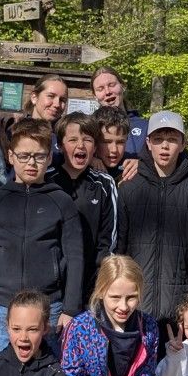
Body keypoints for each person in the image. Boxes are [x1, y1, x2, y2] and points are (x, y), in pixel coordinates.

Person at [0, 118, 83, 357]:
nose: (31, 163)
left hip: (49, 308)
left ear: (49, 158)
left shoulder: (62, 202)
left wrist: (71, 309)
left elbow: (75, 259)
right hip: (2, 309)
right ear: (11, 156)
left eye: (39, 156)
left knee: (48, 372)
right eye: (24, 156)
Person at [116, 111, 188, 324]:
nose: (165, 146)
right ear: (148, 143)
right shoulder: (129, 187)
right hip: (135, 305)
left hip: (182, 308)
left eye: (172, 139)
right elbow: (118, 248)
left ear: (183, 145)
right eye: (158, 139)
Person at [49, 112, 119, 300]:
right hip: (50, 286)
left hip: (89, 286)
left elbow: (108, 241)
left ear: (95, 147)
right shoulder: (46, 179)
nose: (80, 145)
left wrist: (99, 283)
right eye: (73, 140)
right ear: (60, 145)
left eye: (87, 140)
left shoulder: (104, 184)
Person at [92, 67, 149, 156]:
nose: (107, 92)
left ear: (123, 86)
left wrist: (141, 162)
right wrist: (91, 160)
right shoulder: (90, 127)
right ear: (95, 96)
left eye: (112, 85)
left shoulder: (145, 127)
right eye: (100, 89)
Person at [92, 106, 133, 179]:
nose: (114, 150)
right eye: (107, 142)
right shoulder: (81, 167)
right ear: (94, 141)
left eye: (120, 142)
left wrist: (141, 166)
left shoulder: (133, 166)